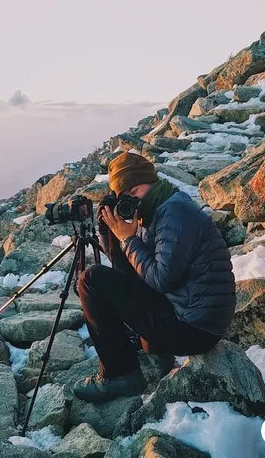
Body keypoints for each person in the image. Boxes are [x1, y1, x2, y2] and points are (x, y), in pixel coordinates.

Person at [73, 151, 236, 402]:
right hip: (192, 316)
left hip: (195, 329)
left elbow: (160, 279)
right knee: (104, 281)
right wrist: (111, 232)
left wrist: (128, 238)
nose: (132, 202)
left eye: (133, 195)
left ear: (141, 185)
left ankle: (120, 376)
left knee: (91, 280)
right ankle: (146, 354)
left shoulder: (175, 214)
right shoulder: (161, 209)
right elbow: (132, 274)